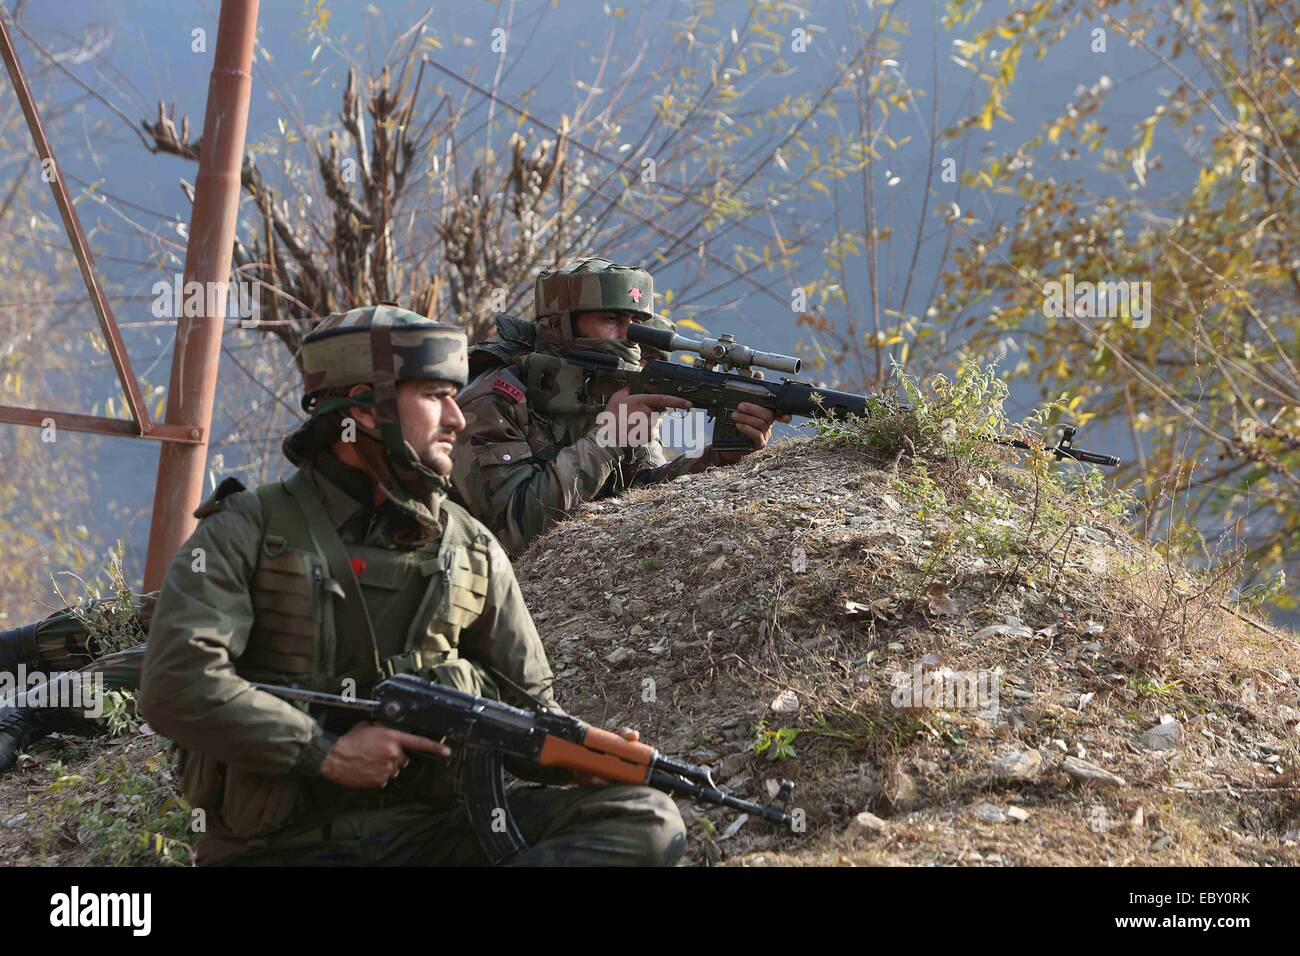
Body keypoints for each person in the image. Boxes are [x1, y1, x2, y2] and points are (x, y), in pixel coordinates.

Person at [139, 303, 685, 865]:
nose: (457, 418)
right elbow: (176, 683)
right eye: (433, 396)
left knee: (645, 819)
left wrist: (578, 755)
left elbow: (530, 715)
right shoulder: (246, 532)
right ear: (365, 410)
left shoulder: (470, 548)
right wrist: (322, 753)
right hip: (279, 850)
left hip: (430, 837)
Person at [450, 257, 788, 554]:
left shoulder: (615, 388)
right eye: (611, 319)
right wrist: (608, 439)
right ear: (559, 325)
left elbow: (637, 494)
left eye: (636, 322)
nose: (631, 336)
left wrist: (717, 459)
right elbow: (513, 531)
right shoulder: (493, 399)